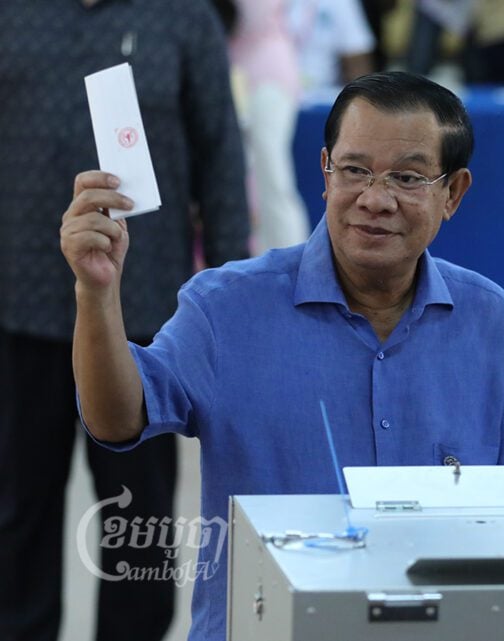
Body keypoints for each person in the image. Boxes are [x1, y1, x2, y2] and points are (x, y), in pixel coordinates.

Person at [60, 71, 504, 641]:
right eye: (354, 170)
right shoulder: (226, 308)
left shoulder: (493, 325)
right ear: (324, 172)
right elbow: (117, 417)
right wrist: (96, 294)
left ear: (453, 193)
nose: (375, 199)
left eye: (407, 177)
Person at [0, 1, 250, 640]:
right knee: (15, 514)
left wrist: (233, 303)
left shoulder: (184, 16)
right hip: (17, 310)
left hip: (143, 323)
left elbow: (220, 153)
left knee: (138, 524)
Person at [228, 0, 313, 253]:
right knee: (249, 177)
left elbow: (254, 17)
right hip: (240, 67)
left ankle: (294, 259)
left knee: (271, 174)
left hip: (265, 74)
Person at [286, 0, 376, 97]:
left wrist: (361, 99)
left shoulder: (341, 3)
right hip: (278, 92)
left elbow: (357, 55)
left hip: (324, 99)